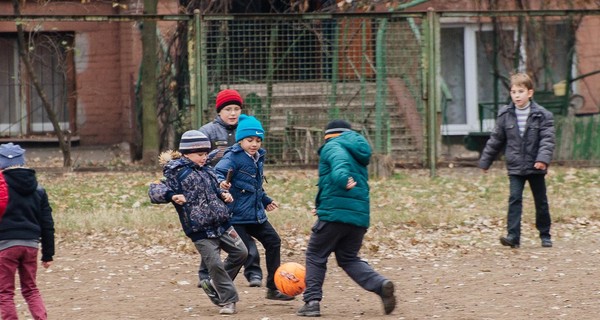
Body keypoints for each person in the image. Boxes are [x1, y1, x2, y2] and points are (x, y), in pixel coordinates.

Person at [297, 120, 396, 317]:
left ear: (329, 135)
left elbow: (339, 163)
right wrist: (321, 206)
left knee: (315, 255)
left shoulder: (334, 146)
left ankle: (312, 302)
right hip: (357, 218)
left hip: (335, 216)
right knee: (348, 258)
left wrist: (342, 178)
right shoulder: (356, 149)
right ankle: (380, 284)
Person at [148, 130, 248, 315]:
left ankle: (213, 284)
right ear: (186, 154)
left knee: (242, 252)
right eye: (200, 154)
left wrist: (222, 194)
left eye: (205, 154)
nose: (204, 158)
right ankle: (228, 300)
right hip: (199, 230)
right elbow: (155, 189)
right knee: (215, 264)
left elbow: (213, 189)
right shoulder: (176, 172)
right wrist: (172, 195)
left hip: (222, 223)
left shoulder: (207, 169)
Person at [213, 114, 294, 301]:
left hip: (256, 215)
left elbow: (255, 186)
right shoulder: (232, 157)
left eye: (258, 140)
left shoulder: (258, 157)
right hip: (236, 216)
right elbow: (217, 173)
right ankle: (219, 289)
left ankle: (273, 288)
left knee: (274, 242)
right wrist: (221, 184)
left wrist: (265, 200)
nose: (254, 144)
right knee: (242, 253)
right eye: (250, 140)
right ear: (241, 140)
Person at [479, 72, 555, 249]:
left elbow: (547, 140)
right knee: (514, 198)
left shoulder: (542, 115)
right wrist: (485, 161)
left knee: (540, 201)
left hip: (536, 165)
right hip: (515, 166)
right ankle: (513, 236)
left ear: (530, 93)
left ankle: (545, 234)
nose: (516, 95)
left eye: (520, 91)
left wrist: (542, 160)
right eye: (513, 92)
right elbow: (496, 139)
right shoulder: (505, 114)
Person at [198, 88, 264, 288]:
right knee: (212, 233)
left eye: (236, 108)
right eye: (228, 109)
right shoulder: (207, 132)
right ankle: (205, 274)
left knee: (246, 230)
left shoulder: (246, 130)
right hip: (213, 192)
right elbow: (197, 159)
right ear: (219, 111)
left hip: (241, 195)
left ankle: (253, 272)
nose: (233, 113)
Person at [0, 142, 55, 320]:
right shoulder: (38, 189)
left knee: (5, 292)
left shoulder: (1, 188)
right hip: (31, 245)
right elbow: (47, 223)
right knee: (31, 289)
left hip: (5, 245)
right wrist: (48, 254)